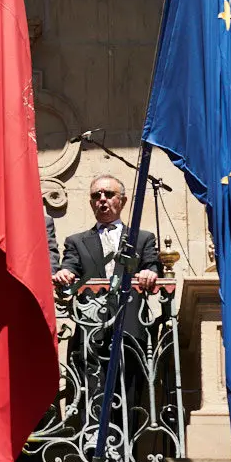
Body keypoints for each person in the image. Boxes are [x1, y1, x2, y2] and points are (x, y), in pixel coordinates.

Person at [52, 174, 160, 440]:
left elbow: (152, 266)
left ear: (122, 200)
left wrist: (150, 273)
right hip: (92, 332)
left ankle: (126, 452)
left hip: (131, 329)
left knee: (130, 396)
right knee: (92, 395)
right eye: (96, 196)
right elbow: (69, 266)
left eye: (108, 194)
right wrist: (64, 273)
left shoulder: (142, 238)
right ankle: (93, 451)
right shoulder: (76, 241)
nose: (102, 200)